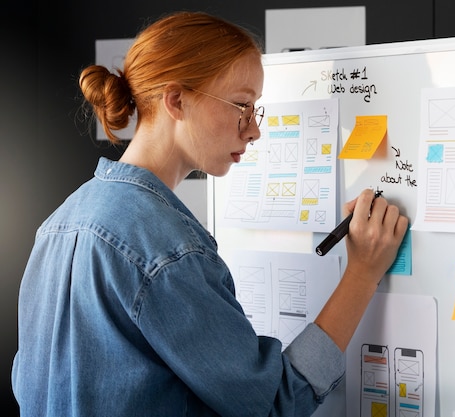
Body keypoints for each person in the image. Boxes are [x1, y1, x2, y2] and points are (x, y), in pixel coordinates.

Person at [11, 11, 409, 417]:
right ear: (177, 100)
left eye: (256, 109)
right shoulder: (168, 248)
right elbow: (273, 405)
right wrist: (362, 272)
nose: (253, 129)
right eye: (241, 105)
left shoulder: (58, 224)